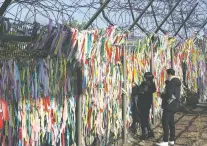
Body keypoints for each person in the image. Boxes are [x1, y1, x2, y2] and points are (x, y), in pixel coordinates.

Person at [156, 69, 181, 146]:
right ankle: (172, 139)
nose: (165, 76)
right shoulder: (177, 82)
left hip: (169, 105)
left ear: (169, 74)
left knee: (165, 122)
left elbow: (169, 94)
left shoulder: (171, 83)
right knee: (171, 122)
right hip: (174, 105)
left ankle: (165, 141)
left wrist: (161, 95)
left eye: (166, 74)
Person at [138, 72, 156, 140]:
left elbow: (141, 92)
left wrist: (137, 87)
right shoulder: (152, 84)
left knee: (143, 119)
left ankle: (146, 134)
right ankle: (148, 134)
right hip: (148, 104)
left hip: (143, 104)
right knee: (145, 119)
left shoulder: (145, 84)